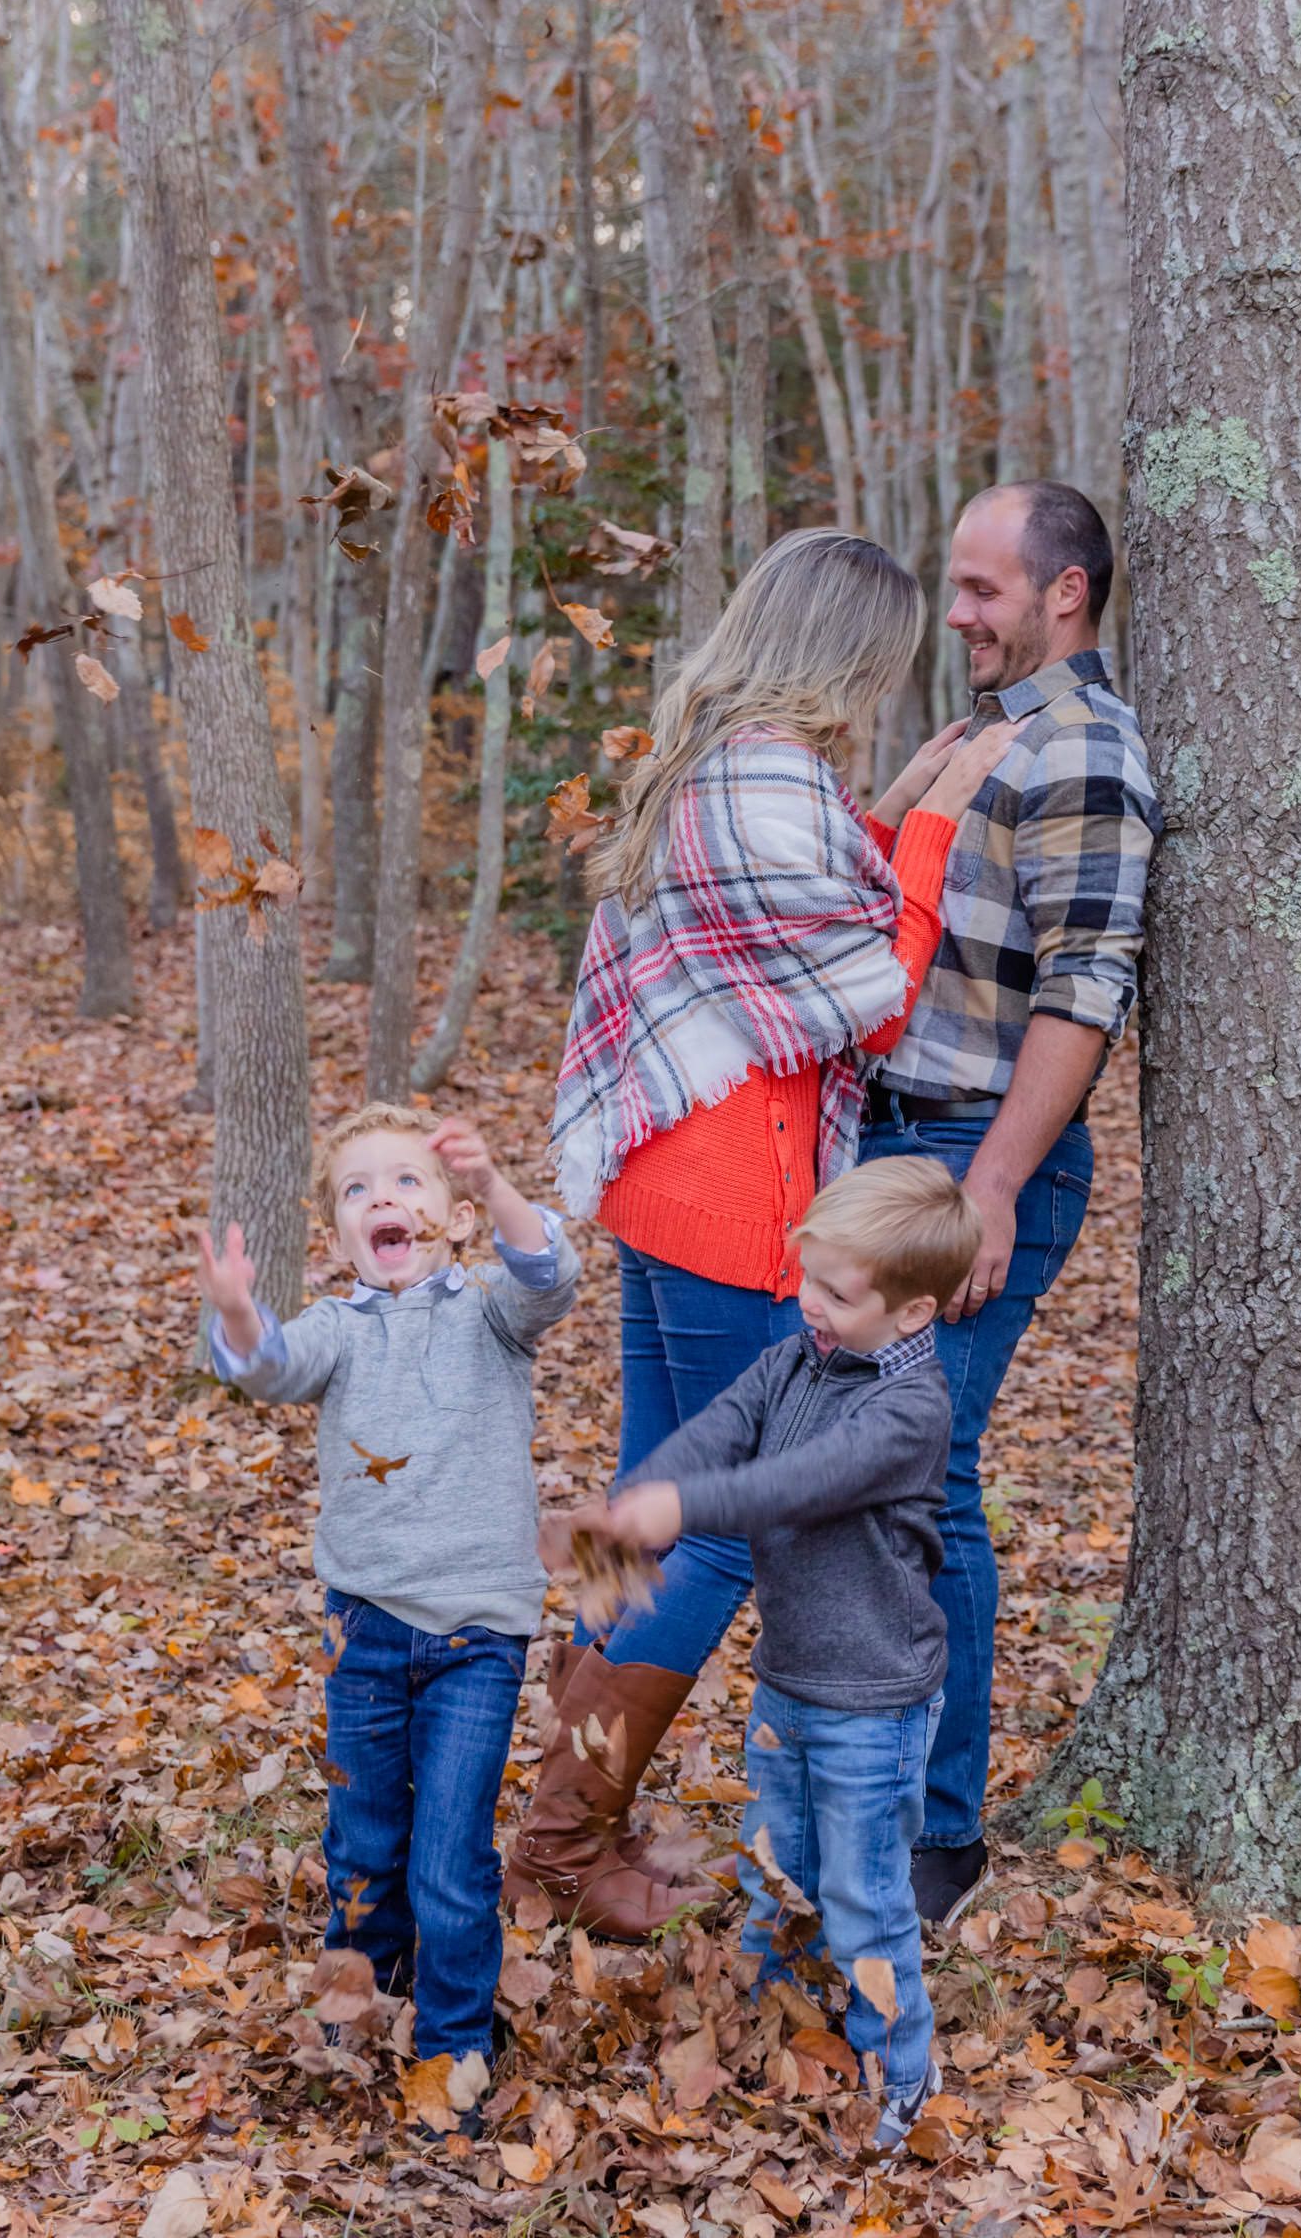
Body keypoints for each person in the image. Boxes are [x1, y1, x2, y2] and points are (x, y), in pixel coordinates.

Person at [507, 526, 1015, 1939]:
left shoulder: (721, 768)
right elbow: (865, 990)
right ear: (847, 654)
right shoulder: (766, 784)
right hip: (739, 1194)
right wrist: (926, 832)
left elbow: (791, 906)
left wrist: (897, 796)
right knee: (714, 1542)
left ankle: (578, 1802)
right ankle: (556, 1850)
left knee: (645, 1491)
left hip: (670, 1175)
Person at [861, 481, 1162, 1924]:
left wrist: (987, 1191)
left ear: (1068, 595)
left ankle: (939, 1832)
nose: (960, 613)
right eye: (957, 584)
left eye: (985, 590)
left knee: (925, 1477)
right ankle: (865, 1784)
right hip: (885, 1143)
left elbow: (1085, 988)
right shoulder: (986, 739)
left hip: (978, 1155)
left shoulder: (1089, 750)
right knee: (873, 1473)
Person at [546, 1156, 981, 2153]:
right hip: (790, 1680)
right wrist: (633, 1508)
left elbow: (800, 1481)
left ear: (913, 1316)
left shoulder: (908, 1412)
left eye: (835, 1291)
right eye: (806, 1278)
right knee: (776, 1866)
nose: (808, 1303)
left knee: (864, 1893)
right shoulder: (794, 1362)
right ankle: (771, 2012)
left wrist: (680, 1510)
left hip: (873, 1698)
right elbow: (720, 1432)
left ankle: (899, 2064)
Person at [196, 1104, 578, 2112]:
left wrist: (496, 1184)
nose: (384, 1201)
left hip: (476, 1637)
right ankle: (357, 1998)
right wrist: (238, 1311)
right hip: (361, 1628)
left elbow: (551, 1277)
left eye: (407, 1183)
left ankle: (453, 2037)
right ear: (336, 1239)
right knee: (364, 1841)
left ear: (451, 1218)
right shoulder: (335, 1330)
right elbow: (269, 1369)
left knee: (451, 1855)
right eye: (360, 1190)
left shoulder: (491, 1315)